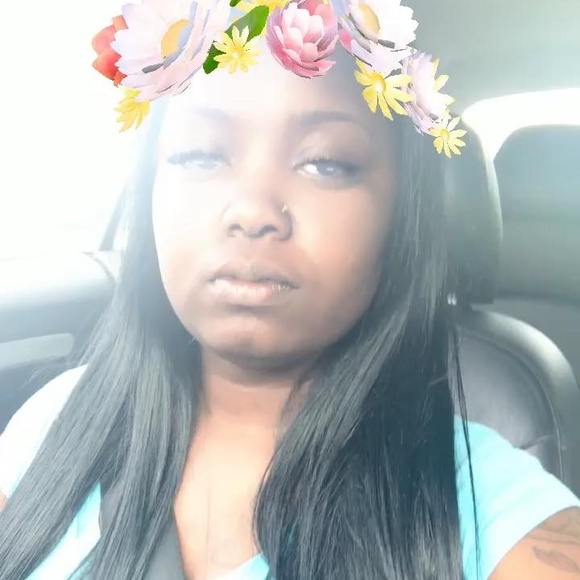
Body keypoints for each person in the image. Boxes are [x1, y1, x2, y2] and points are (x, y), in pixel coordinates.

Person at [1, 1, 580, 578]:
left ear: (401, 215)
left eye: (325, 163)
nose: (252, 210)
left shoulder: (488, 508)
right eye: (199, 155)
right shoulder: (57, 420)